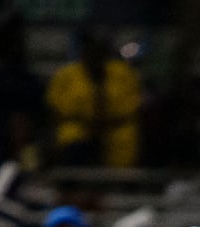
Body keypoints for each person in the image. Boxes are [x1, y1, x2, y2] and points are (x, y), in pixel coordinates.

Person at [45, 28, 142, 167]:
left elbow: (135, 104)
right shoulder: (66, 74)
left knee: (126, 139)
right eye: (90, 49)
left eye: (98, 50)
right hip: (79, 127)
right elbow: (53, 109)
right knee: (70, 139)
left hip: (116, 128)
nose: (94, 54)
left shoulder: (123, 73)